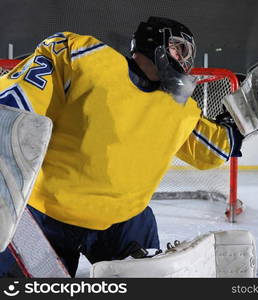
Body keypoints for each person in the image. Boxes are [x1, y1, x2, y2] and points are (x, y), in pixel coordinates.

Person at [0, 16, 243, 277]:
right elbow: (16, 103)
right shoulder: (84, 57)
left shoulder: (182, 107)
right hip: (45, 214)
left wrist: (244, 119)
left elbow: (211, 152)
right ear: (155, 42)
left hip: (125, 221)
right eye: (179, 48)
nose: (185, 60)